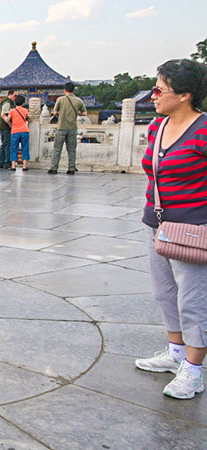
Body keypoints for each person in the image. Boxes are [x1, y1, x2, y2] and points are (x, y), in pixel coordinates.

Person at [134, 58, 207, 400]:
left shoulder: (204, 130)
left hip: (193, 228)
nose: (154, 95)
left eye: (160, 88)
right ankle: (175, 351)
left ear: (185, 95)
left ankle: (193, 370)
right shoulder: (157, 127)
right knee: (165, 293)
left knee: (193, 299)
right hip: (158, 223)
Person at [49, 82, 88, 175]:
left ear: (64, 90)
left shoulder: (60, 99)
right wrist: (78, 113)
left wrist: (60, 115)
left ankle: (54, 168)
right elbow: (85, 113)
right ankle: (71, 169)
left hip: (61, 127)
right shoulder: (79, 101)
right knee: (71, 150)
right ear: (73, 90)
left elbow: (54, 112)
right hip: (72, 128)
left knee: (57, 149)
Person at [8, 95, 30, 171]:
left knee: (14, 148)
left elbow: (8, 119)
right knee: (25, 148)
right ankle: (24, 166)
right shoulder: (25, 110)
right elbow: (28, 118)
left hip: (15, 131)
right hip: (24, 130)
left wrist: (11, 125)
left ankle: (13, 166)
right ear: (23, 103)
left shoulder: (12, 111)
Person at [0, 90, 16, 169]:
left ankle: (1, 162)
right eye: (15, 96)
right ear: (10, 95)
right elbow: (3, 115)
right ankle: (6, 162)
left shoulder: (7, 102)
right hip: (5, 126)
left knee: (4, 144)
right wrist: (10, 125)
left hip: (3, 126)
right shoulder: (7, 103)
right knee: (7, 144)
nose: (15, 98)